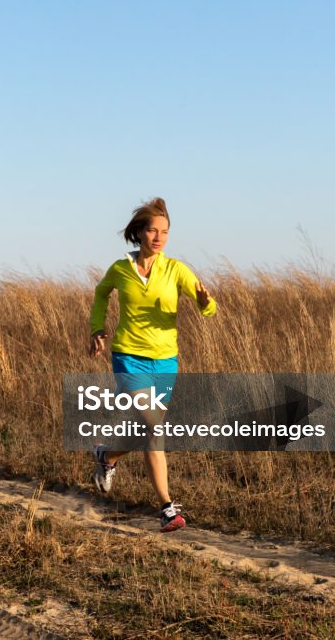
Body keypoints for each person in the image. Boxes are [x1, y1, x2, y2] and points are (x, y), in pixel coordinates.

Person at [88, 197, 217, 532]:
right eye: (153, 230)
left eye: (165, 231)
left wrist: (205, 302)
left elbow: (209, 308)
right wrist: (97, 329)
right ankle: (166, 509)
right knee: (153, 429)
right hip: (129, 358)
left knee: (148, 431)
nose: (159, 237)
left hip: (165, 361)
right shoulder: (120, 269)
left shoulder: (176, 269)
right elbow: (101, 295)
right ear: (139, 233)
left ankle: (107, 456)